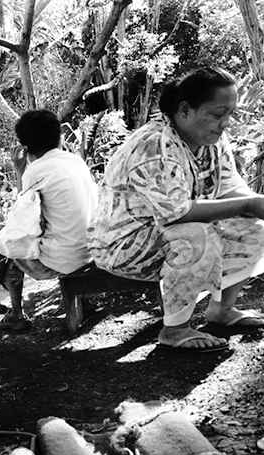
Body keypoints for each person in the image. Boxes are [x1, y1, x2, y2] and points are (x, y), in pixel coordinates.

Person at [87, 66, 264, 354]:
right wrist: (248, 204)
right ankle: (174, 330)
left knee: (254, 227)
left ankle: (221, 310)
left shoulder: (213, 141)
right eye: (219, 114)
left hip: (163, 233)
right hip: (121, 244)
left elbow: (233, 189)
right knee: (196, 234)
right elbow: (178, 213)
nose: (226, 123)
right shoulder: (154, 144)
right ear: (185, 110)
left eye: (230, 114)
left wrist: (257, 204)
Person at [0, 109, 98, 330]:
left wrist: (19, 169)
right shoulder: (75, 161)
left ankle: (12, 313)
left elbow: (21, 221)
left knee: (2, 240)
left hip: (65, 259)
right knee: (6, 239)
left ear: (25, 146)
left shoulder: (37, 170)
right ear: (59, 137)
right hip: (89, 251)